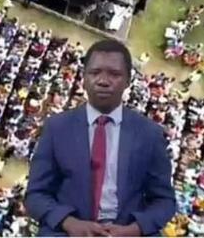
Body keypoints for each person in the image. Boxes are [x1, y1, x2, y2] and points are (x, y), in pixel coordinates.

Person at [25, 39, 176, 236]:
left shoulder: (149, 134)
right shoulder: (57, 127)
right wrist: (70, 223)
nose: (103, 80)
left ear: (128, 81)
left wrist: (134, 230)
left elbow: (164, 201)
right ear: (84, 78)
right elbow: (35, 195)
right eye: (95, 73)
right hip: (68, 231)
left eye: (114, 74)